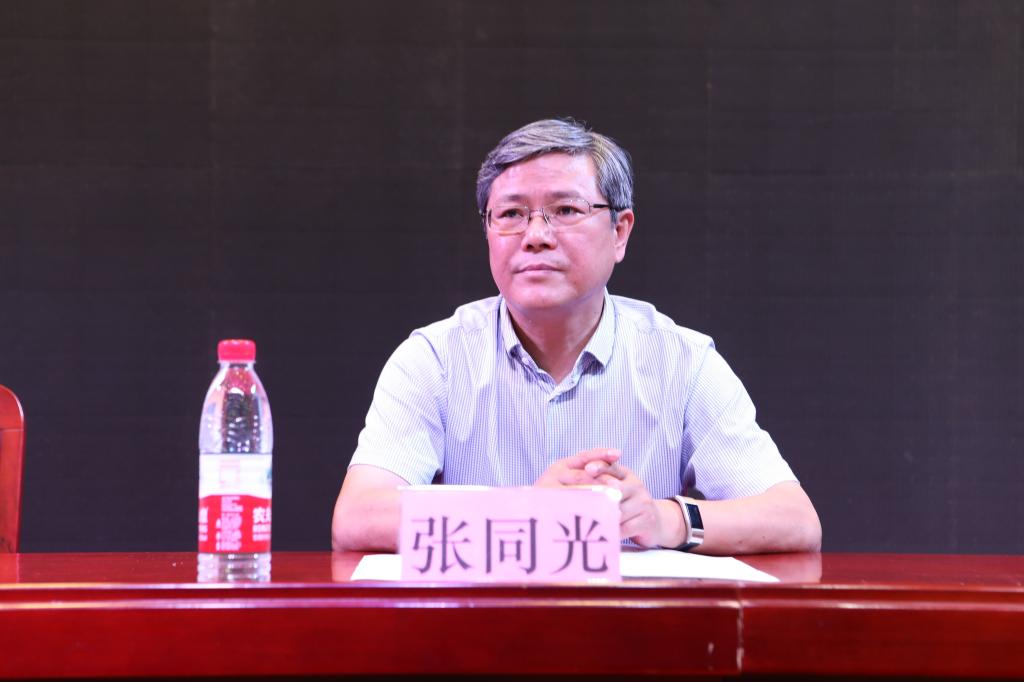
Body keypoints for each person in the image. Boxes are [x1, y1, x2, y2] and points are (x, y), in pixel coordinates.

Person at [332, 118, 821, 555]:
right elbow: (357, 517)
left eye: (565, 210)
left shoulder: (683, 362)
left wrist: (662, 519)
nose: (536, 235)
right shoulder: (435, 359)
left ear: (620, 232)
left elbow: (794, 520)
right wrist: (525, 510)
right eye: (511, 214)